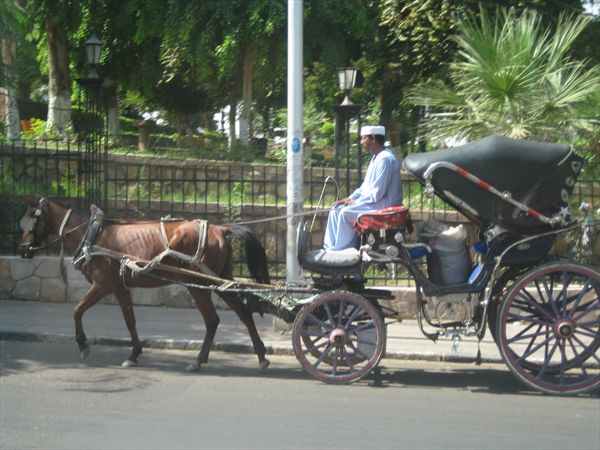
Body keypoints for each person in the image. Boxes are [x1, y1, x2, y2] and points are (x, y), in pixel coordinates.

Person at [323, 125, 403, 251]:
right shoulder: (375, 158)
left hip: (385, 206)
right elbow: (364, 188)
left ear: (373, 139)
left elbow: (377, 193)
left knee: (345, 213)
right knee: (335, 210)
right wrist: (348, 199)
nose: (361, 142)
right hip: (373, 202)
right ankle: (329, 249)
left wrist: (356, 202)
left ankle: (343, 251)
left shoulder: (385, 159)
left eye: (363, 138)